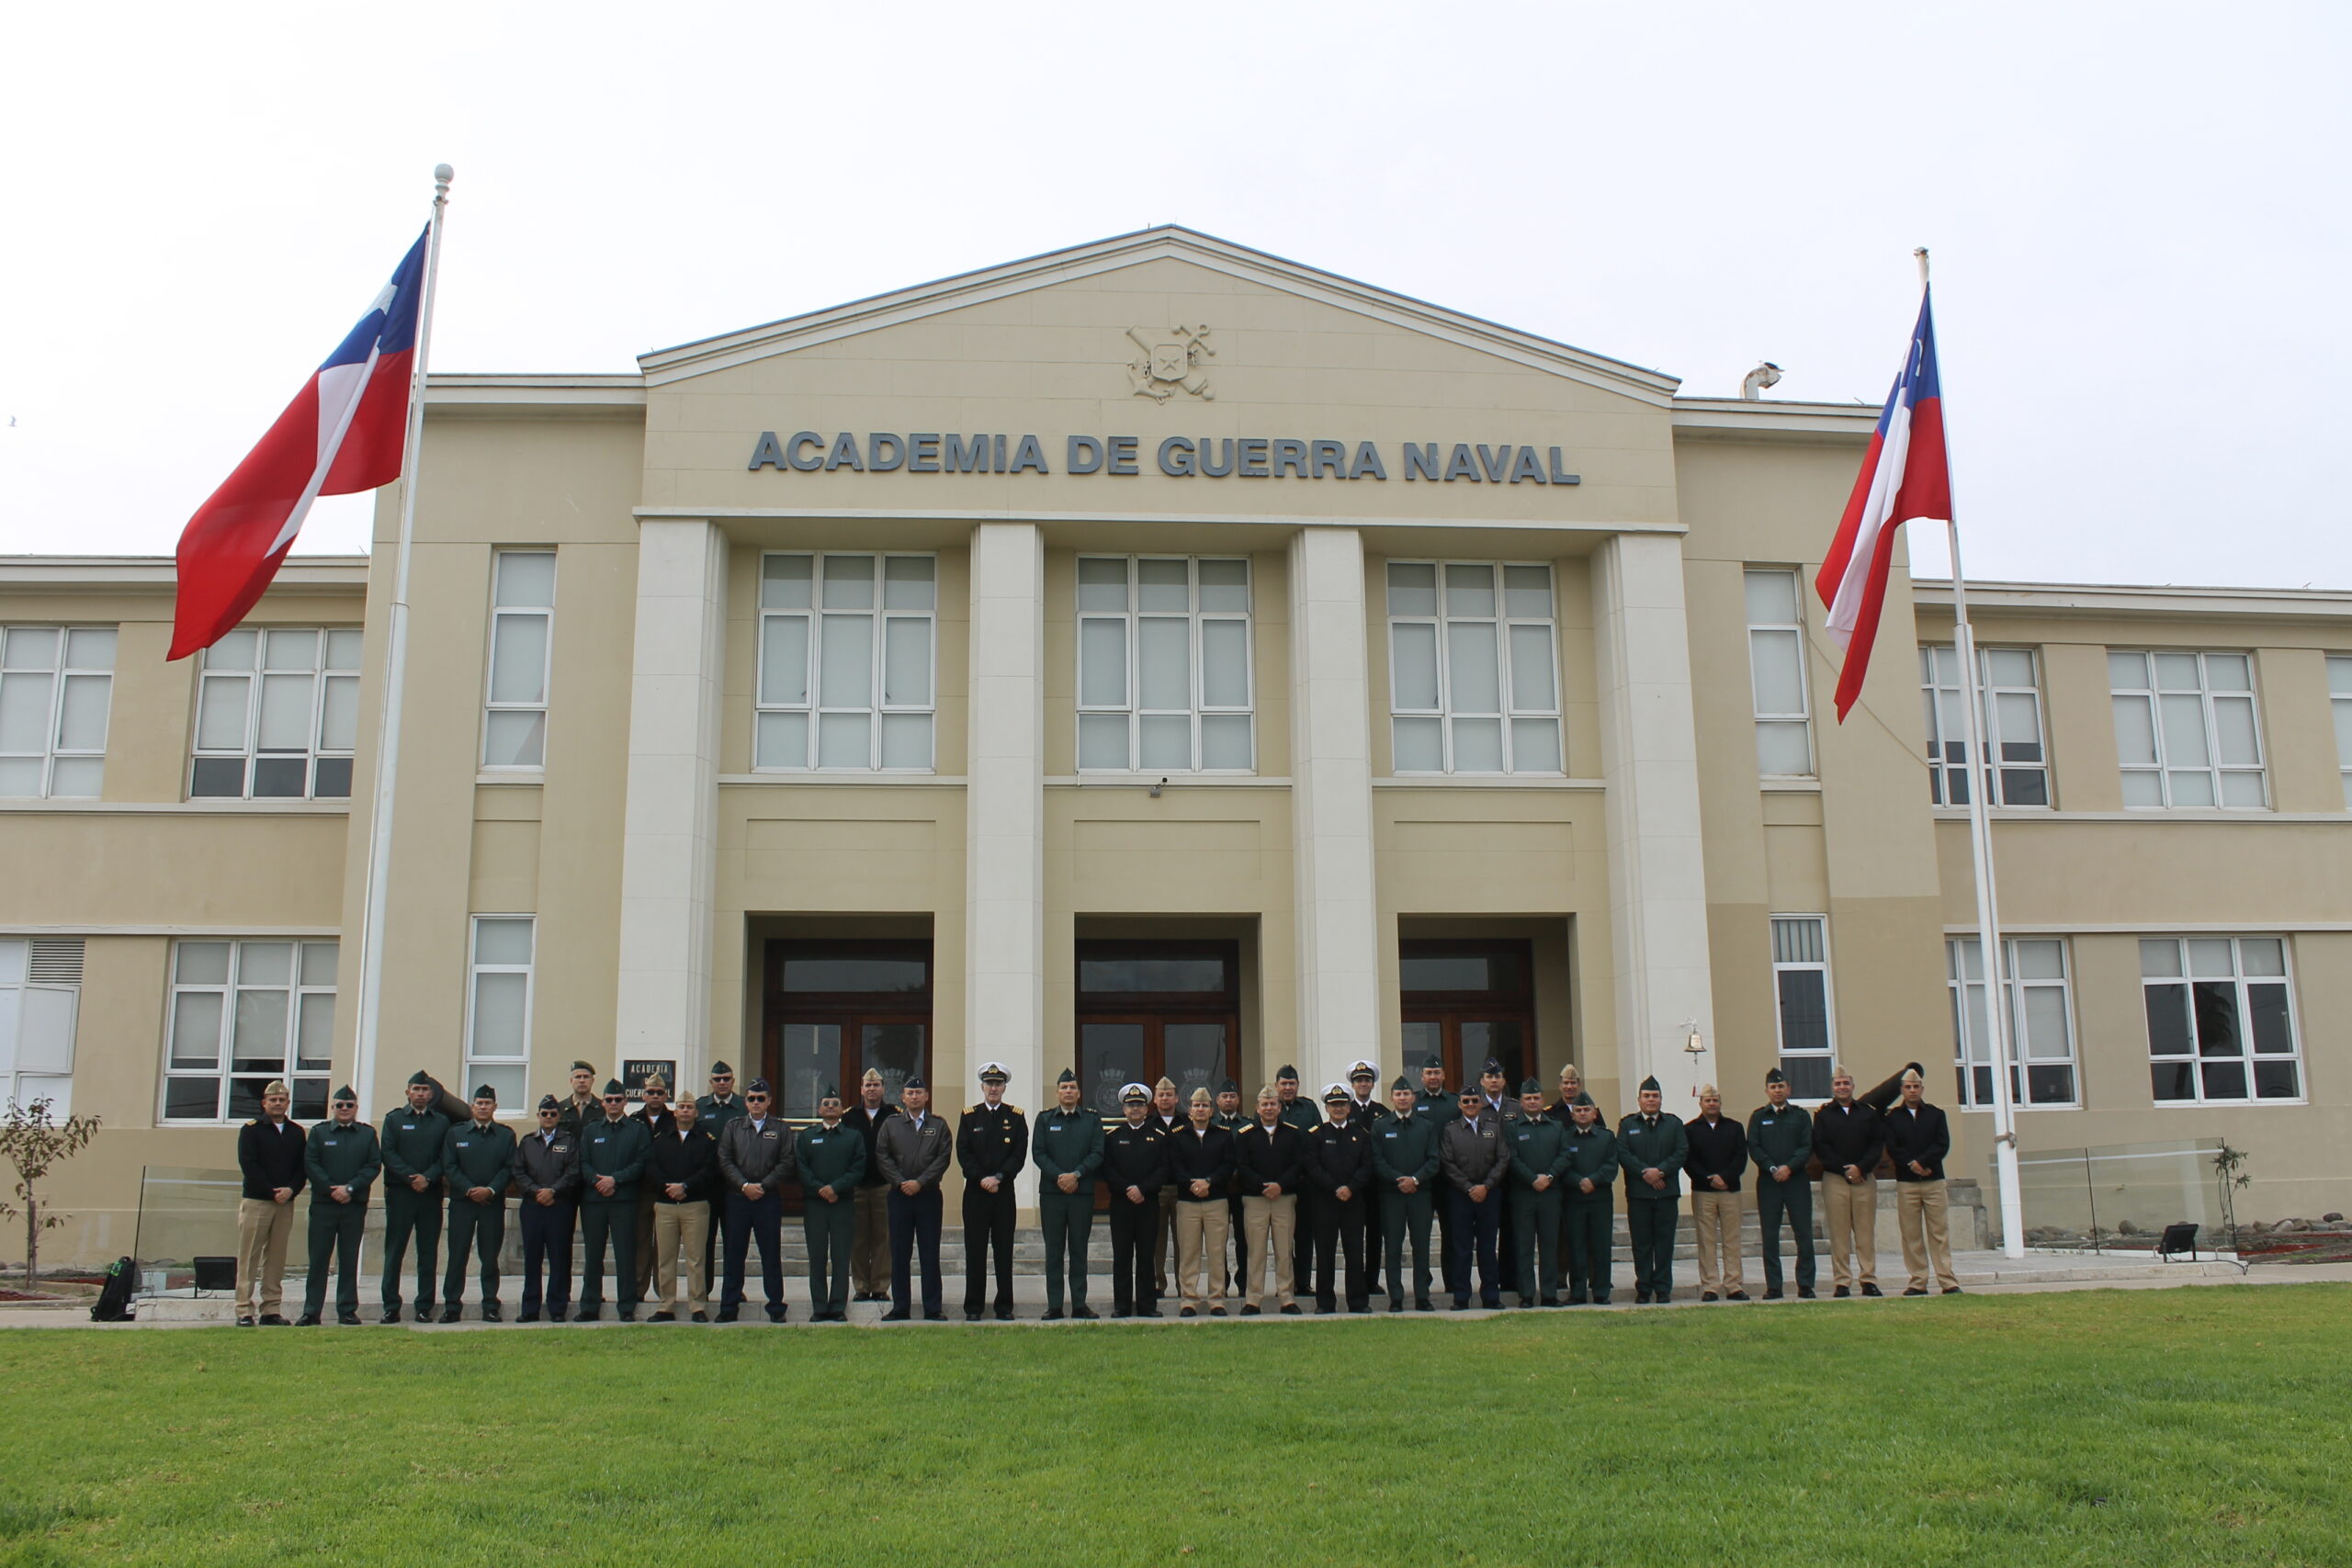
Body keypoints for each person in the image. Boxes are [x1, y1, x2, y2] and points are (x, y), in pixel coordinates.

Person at [296, 1086, 379, 1325]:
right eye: (340, 1105)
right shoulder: (319, 1133)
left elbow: (373, 1166)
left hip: (353, 1205)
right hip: (324, 1205)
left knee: (349, 1258)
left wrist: (350, 1189)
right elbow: (311, 1164)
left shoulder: (366, 1134)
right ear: (332, 1108)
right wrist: (332, 1189)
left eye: (349, 1105)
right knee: (319, 1259)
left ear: (356, 1108)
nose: (344, 1109)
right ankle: (312, 1311)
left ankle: (347, 1309)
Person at [716, 1077, 794, 1323]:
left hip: (767, 1198)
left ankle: (776, 1307)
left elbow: (787, 1161)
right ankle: (729, 1307)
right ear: (746, 1102)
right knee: (734, 1254)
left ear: (769, 1101)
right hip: (738, 1199)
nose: (756, 1103)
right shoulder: (733, 1127)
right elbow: (725, 1159)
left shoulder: (781, 1129)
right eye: (752, 1099)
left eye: (761, 1099)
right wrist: (744, 1185)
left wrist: (764, 1185)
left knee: (770, 1255)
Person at [876, 1075, 953, 1321]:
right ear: (902, 1097)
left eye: (919, 1093)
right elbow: (882, 1156)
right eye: (910, 1093)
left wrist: (920, 1182)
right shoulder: (891, 1124)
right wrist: (901, 1182)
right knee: (899, 1253)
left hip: (928, 1196)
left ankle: (933, 1307)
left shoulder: (939, 1125)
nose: (914, 1097)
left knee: (929, 1253)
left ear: (926, 1096)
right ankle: (901, 1307)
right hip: (899, 1196)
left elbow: (943, 1158)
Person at [956, 1062, 1027, 1322]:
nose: (993, 1088)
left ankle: (1004, 1306)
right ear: (982, 1087)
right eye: (989, 1084)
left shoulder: (1016, 1117)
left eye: (998, 1084)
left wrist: (999, 1177)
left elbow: (1019, 1154)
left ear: (1004, 1087)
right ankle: (973, 1307)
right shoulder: (969, 1116)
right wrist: (981, 1178)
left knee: (1003, 1250)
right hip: (975, 1193)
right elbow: (964, 1153)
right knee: (974, 1251)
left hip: (1003, 1193)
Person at [378, 1071, 450, 1325]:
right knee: (395, 1250)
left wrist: (428, 1178)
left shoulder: (441, 1122)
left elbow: (446, 1157)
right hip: (401, 1194)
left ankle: (424, 1306)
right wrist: (412, 1177)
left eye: (425, 1090)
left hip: (430, 1195)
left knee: (427, 1252)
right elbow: (388, 1153)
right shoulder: (394, 1119)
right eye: (416, 1089)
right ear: (408, 1092)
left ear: (431, 1094)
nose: (421, 1093)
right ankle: (390, 1306)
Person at [439, 1084, 516, 1323]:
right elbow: (449, 1166)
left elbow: (509, 1168)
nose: (483, 1107)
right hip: (463, 1203)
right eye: (479, 1103)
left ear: (495, 1107)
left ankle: (490, 1305)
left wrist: (490, 1190)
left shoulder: (505, 1135)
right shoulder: (457, 1133)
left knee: (490, 1257)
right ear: (472, 1107)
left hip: (491, 1204)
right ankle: (452, 1306)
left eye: (487, 1103)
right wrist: (469, 1189)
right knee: (457, 1256)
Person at [576, 1080, 651, 1322]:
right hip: (594, 1200)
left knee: (625, 1254)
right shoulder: (591, 1130)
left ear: (625, 1102)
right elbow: (583, 1162)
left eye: (618, 1099)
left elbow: (641, 1162)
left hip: (624, 1200)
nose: (613, 1104)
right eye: (609, 1100)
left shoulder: (637, 1129)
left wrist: (615, 1180)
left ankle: (626, 1306)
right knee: (594, 1255)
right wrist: (599, 1182)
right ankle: (589, 1305)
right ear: (603, 1102)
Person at [1033, 1066, 1103, 1321]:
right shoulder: (1045, 1119)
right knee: (1053, 1251)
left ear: (1079, 1093)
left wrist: (1076, 1175)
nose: (1068, 1091)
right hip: (1052, 1194)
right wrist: (1059, 1176)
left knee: (1078, 1250)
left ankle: (1079, 1304)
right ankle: (1054, 1305)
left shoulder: (1092, 1119)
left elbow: (1097, 1152)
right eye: (1064, 1088)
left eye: (1072, 1087)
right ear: (1057, 1092)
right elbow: (1038, 1153)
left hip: (1081, 1193)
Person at [234, 1079, 304, 1327]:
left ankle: (271, 1309)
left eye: (281, 1100)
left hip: (285, 1202)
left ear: (288, 1103)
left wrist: (291, 1190)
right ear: (264, 1103)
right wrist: (271, 1190)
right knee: (249, 1256)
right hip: (257, 1201)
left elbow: (301, 1167)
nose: (277, 1103)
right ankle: (244, 1309)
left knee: (276, 1257)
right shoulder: (251, 1130)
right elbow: (249, 1165)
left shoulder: (297, 1132)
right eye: (272, 1100)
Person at [1884, 1068, 1960, 1295]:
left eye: (1916, 1087)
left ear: (1922, 1089)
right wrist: (1911, 1164)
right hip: (1907, 1183)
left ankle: (1947, 1280)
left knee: (1939, 1233)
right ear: (1902, 1090)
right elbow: (1893, 1147)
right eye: (1908, 1087)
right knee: (1911, 1234)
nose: (1912, 1091)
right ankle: (1918, 1280)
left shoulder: (1936, 1114)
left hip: (1933, 1180)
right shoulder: (1893, 1118)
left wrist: (1924, 1162)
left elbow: (1942, 1144)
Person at [1813, 1065, 1885, 1297]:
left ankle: (1868, 1280)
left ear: (1853, 1086)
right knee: (1839, 1233)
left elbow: (1876, 1144)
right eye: (1838, 1084)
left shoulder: (1868, 1113)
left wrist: (1860, 1168)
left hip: (1864, 1178)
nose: (1842, 1087)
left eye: (1845, 1083)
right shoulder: (1823, 1115)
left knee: (1865, 1233)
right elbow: (1821, 1147)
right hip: (1836, 1179)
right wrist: (1845, 1170)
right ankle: (1842, 1281)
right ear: (1832, 1088)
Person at [794, 1084, 865, 1322]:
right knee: (817, 1258)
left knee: (841, 1257)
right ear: (819, 1109)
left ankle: (837, 1307)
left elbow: (858, 1168)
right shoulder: (807, 1136)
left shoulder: (853, 1137)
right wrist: (820, 1189)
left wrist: (835, 1188)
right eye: (826, 1104)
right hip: (815, 1205)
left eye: (835, 1104)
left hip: (842, 1204)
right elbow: (801, 1168)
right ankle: (819, 1307)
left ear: (842, 1109)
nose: (831, 1107)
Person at [645, 1095, 718, 1322]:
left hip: (695, 1205)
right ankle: (666, 1304)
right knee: (665, 1258)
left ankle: (697, 1305)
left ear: (697, 1113)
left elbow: (710, 1170)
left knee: (696, 1258)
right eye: (681, 1107)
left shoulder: (706, 1139)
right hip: (666, 1205)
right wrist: (670, 1188)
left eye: (690, 1107)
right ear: (674, 1112)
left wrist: (686, 1186)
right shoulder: (660, 1138)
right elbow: (651, 1167)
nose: (685, 1111)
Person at [1616, 1075, 1687, 1304]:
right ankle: (1644, 1288)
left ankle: (1663, 1288)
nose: (1651, 1100)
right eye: (1646, 1096)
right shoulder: (1628, 1124)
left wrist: (1661, 1172)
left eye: (1655, 1096)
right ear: (1639, 1100)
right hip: (1639, 1194)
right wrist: (1646, 1173)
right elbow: (1623, 1154)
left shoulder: (1674, 1124)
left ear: (1661, 1100)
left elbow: (1681, 1152)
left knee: (1665, 1244)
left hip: (1666, 1193)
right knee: (1642, 1244)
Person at [1235, 1085, 1305, 1315]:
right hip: (1255, 1199)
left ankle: (1286, 1297)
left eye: (1273, 1104)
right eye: (1264, 1104)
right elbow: (1242, 1166)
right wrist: (1263, 1185)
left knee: (1284, 1250)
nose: (1269, 1108)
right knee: (1256, 1252)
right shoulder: (1246, 1135)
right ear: (1257, 1108)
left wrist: (1280, 1185)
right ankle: (1253, 1299)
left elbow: (1298, 1164)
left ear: (1279, 1107)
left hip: (1284, 1198)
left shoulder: (1292, 1134)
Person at [1748, 1067, 1817, 1301]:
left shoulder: (1800, 1116)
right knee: (1770, 1236)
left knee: (1803, 1234)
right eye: (1773, 1087)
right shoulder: (1759, 1117)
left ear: (1788, 1089)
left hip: (1796, 1181)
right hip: (1769, 1183)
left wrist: (1789, 1167)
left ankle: (1806, 1285)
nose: (1777, 1091)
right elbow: (1754, 1147)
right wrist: (1772, 1167)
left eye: (1781, 1086)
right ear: (1767, 1091)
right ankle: (1774, 1286)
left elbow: (1807, 1146)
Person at [1167, 1088, 1237, 1317]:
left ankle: (1217, 1299)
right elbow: (1175, 1167)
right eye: (1196, 1106)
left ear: (1211, 1110)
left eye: (1205, 1106)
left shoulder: (1223, 1134)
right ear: (1189, 1111)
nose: (1201, 1110)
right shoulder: (1178, 1136)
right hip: (1187, 1201)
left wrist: (1208, 1182)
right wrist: (1192, 1184)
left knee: (1217, 1252)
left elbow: (1228, 1166)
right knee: (1189, 1252)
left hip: (1216, 1200)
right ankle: (1189, 1299)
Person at [1302, 1084, 1372, 1314]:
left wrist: (1350, 1188)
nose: (1338, 1108)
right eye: (1334, 1105)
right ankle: (1325, 1303)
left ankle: (1358, 1302)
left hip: (1353, 1202)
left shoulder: (1360, 1135)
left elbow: (1366, 1165)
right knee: (1324, 1253)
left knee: (1354, 1253)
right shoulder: (1317, 1135)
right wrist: (1335, 1188)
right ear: (1327, 1108)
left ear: (1349, 1107)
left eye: (1342, 1104)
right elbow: (1312, 1166)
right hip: (1325, 1202)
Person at [1102, 1083, 1169, 1318]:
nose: (1135, 1109)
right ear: (1124, 1109)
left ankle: (1147, 1305)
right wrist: (1127, 1189)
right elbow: (1108, 1169)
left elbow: (1163, 1169)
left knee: (1145, 1255)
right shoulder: (1112, 1137)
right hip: (1121, 1204)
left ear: (1146, 1108)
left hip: (1148, 1202)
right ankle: (1121, 1305)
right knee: (1122, 1256)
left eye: (1139, 1105)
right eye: (1131, 1105)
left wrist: (1142, 1189)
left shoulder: (1158, 1136)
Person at [1372, 1076, 1438, 1312]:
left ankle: (1423, 1296)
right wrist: (1398, 1180)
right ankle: (1396, 1297)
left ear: (1413, 1097)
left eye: (1406, 1094)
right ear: (1391, 1098)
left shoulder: (1426, 1126)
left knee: (1421, 1246)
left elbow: (1433, 1160)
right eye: (1398, 1094)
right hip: (1392, 1195)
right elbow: (1377, 1161)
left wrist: (1415, 1179)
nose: (1402, 1098)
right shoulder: (1380, 1126)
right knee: (1393, 1247)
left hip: (1421, 1194)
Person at [1439, 1086, 1509, 1309]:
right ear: (1459, 1104)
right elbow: (1447, 1163)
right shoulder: (1451, 1130)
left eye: (1474, 1101)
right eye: (1466, 1101)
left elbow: (1503, 1159)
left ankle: (1490, 1296)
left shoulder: (1494, 1128)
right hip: (1460, 1196)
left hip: (1489, 1195)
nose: (1470, 1105)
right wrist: (1469, 1187)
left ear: (1481, 1104)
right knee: (1461, 1248)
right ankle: (1461, 1297)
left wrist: (1486, 1186)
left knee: (1488, 1248)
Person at [511, 1094, 579, 1324]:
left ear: (558, 1116)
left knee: (559, 1257)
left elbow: (572, 1172)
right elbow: (518, 1172)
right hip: (533, 1206)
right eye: (544, 1114)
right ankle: (530, 1308)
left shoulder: (568, 1141)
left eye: (552, 1114)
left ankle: (557, 1307)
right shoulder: (527, 1142)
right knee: (532, 1258)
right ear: (538, 1116)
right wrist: (536, 1191)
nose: (548, 1118)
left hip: (559, 1206)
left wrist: (553, 1191)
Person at [1684, 1083, 1749, 1303]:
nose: (1712, 1104)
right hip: (1704, 1191)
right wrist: (1709, 1179)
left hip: (1730, 1190)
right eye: (1707, 1100)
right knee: (1706, 1240)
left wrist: (1725, 1178)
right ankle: (1710, 1285)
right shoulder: (1690, 1129)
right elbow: (1689, 1160)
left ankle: (1733, 1284)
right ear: (1700, 1103)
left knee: (1732, 1239)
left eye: (1715, 1100)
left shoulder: (1734, 1127)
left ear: (1720, 1103)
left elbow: (1741, 1157)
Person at [1506, 1079, 1567, 1308]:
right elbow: (1511, 1158)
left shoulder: (1555, 1126)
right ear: (1521, 1102)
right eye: (1528, 1098)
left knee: (1549, 1245)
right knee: (1524, 1246)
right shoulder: (1512, 1128)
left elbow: (1564, 1155)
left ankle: (1550, 1294)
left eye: (1536, 1098)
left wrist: (1549, 1177)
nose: (1533, 1102)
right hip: (1523, 1195)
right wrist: (1532, 1179)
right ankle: (1527, 1294)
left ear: (1542, 1100)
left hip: (1550, 1195)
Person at [843, 1069, 899, 1303]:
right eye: (868, 1085)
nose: (872, 1089)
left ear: (883, 1089)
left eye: (876, 1085)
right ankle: (861, 1286)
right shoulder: (849, 1116)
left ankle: (880, 1286)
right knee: (858, 1239)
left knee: (883, 1239)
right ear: (861, 1089)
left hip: (883, 1185)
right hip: (856, 1186)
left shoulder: (893, 1115)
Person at [1557, 1092, 1617, 1304]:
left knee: (1601, 1246)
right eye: (1578, 1111)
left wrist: (1593, 1180)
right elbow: (1562, 1165)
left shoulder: (1606, 1137)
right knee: (1576, 1246)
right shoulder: (1564, 1137)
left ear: (1595, 1114)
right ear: (1572, 1115)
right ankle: (1578, 1292)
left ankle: (1601, 1292)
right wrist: (1578, 1181)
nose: (1582, 1114)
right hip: (1574, 1200)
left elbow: (1611, 1166)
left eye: (1586, 1110)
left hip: (1600, 1199)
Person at [695, 1061, 746, 1294]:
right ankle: (703, 1288)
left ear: (733, 1081)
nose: (722, 1083)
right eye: (718, 1079)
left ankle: (733, 1289)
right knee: (704, 1241)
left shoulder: (743, 1107)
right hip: (706, 1186)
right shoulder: (700, 1108)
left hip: (734, 1185)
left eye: (726, 1078)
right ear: (711, 1082)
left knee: (734, 1241)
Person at [1414, 1055, 1462, 1298]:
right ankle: (1423, 1281)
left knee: (1450, 1231)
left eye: (1437, 1073)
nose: (1433, 1077)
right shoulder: (1412, 1101)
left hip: (1448, 1178)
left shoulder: (1454, 1103)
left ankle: (1452, 1281)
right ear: (1422, 1077)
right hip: (1422, 1180)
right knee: (1421, 1233)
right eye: (1428, 1073)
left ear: (1443, 1075)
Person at [628, 1076, 677, 1301]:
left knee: (664, 1245)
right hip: (641, 1190)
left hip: (665, 1190)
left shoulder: (674, 1120)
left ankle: (663, 1291)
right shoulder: (634, 1120)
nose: (655, 1096)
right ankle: (638, 1290)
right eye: (651, 1092)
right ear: (643, 1095)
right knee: (640, 1242)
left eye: (659, 1092)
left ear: (666, 1095)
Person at [1275, 1065, 1319, 1297]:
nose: (1288, 1087)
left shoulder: (1309, 1108)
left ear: (1298, 1085)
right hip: (1280, 1184)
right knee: (1282, 1238)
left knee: (1304, 1235)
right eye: (1284, 1083)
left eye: (1292, 1083)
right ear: (1277, 1086)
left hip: (1305, 1182)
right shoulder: (1270, 1107)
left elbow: (1318, 1140)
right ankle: (1285, 1284)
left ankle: (1303, 1283)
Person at [1212, 1078, 1249, 1292]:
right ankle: (1221, 1282)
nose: (1228, 1100)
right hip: (1218, 1190)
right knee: (1219, 1240)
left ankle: (1244, 1281)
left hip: (1242, 1189)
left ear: (1238, 1099)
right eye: (1224, 1096)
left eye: (1232, 1096)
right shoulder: (1212, 1124)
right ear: (1217, 1100)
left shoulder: (1247, 1125)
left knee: (1243, 1239)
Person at [1148, 1077, 1183, 1300]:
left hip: (1181, 1190)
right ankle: (1158, 1284)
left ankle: (1184, 1284)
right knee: (1156, 1240)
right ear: (1155, 1099)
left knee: (1183, 1241)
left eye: (1169, 1094)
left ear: (1176, 1098)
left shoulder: (1186, 1122)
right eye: (1161, 1094)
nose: (1165, 1098)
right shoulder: (1149, 1123)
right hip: (1157, 1190)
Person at [558, 1061, 600, 1136]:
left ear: (592, 1081)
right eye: (578, 1077)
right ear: (571, 1081)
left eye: (586, 1077)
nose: (582, 1081)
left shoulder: (602, 1107)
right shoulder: (560, 1108)